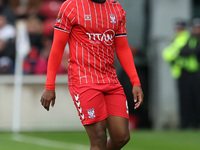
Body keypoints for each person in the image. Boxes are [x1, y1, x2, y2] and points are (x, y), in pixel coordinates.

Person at [40, 0, 144, 149]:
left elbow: (122, 48)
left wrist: (135, 81)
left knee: (121, 137)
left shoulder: (116, 8)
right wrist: (50, 85)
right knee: (99, 137)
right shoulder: (71, 6)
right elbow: (57, 47)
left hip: (111, 80)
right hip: (84, 81)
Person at [163, 18, 200, 129]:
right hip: (181, 73)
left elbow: (194, 51)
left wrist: (181, 52)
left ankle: (195, 124)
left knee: (195, 99)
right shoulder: (177, 39)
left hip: (194, 73)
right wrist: (180, 53)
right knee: (185, 100)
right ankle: (186, 124)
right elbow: (167, 54)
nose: (179, 30)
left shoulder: (189, 38)